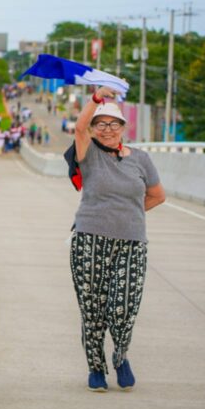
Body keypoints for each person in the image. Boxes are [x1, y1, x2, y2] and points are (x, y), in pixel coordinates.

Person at [70, 86, 166, 392]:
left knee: (123, 308)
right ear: (94, 129)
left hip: (132, 243)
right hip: (89, 241)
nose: (107, 129)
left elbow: (157, 195)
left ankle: (121, 356)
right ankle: (96, 368)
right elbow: (79, 128)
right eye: (101, 124)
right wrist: (96, 99)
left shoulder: (141, 159)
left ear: (123, 128)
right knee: (93, 311)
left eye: (114, 124)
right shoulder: (89, 154)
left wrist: (129, 214)